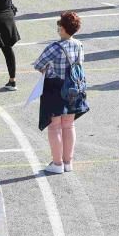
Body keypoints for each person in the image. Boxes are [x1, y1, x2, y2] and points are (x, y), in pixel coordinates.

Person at [32, 11, 88, 175]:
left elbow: (38, 64)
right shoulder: (79, 44)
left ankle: (57, 163)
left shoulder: (54, 47)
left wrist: (46, 69)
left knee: (55, 127)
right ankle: (68, 161)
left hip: (55, 87)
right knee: (69, 125)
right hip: (74, 88)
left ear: (62, 28)